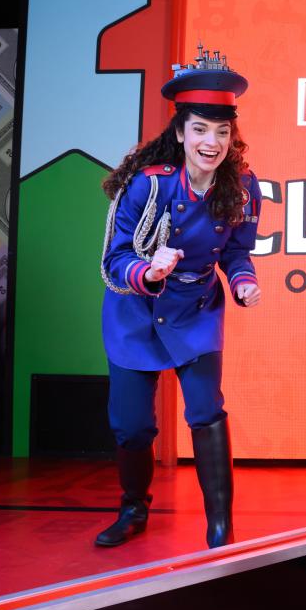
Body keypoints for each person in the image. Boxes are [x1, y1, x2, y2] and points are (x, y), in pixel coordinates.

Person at [96, 46, 262, 549]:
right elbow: (114, 258)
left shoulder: (245, 188)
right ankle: (132, 510)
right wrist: (148, 270)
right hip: (135, 313)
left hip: (194, 310)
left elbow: (236, 253)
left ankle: (219, 524)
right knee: (132, 426)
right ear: (179, 133)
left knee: (207, 410)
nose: (211, 142)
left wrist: (242, 282)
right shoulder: (147, 187)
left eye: (222, 131)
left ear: (232, 137)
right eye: (200, 129)